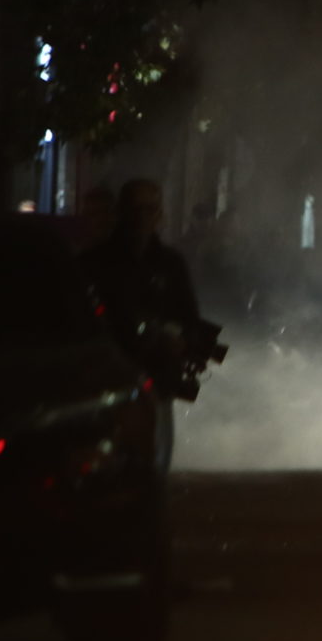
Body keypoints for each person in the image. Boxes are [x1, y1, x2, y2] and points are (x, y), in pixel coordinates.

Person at [83, 178, 211, 445]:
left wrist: (181, 340)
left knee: (156, 452)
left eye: (149, 209)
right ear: (122, 212)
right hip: (110, 379)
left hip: (158, 378)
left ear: (160, 215)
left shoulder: (171, 264)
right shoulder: (94, 264)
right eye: (136, 209)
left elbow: (189, 317)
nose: (142, 217)